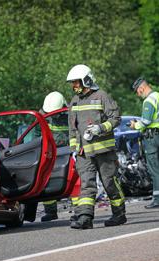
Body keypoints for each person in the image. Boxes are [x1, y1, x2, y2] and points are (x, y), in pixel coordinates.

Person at [66, 64, 126, 229]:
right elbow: (72, 129)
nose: (74, 86)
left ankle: (119, 214)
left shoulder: (101, 96)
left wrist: (101, 128)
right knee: (87, 184)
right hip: (83, 153)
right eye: (72, 83)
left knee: (109, 182)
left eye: (76, 82)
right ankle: (85, 218)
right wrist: (74, 150)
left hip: (104, 150)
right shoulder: (74, 102)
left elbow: (116, 117)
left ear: (86, 80)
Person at [40, 91, 69, 221]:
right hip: (51, 154)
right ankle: (50, 212)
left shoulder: (70, 115)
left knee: (72, 181)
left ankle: (80, 211)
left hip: (68, 152)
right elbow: (36, 136)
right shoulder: (42, 117)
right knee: (48, 181)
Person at [131, 77, 159, 209]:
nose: (138, 94)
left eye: (137, 91)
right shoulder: (158, 96)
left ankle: (157, 199)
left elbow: (146, 121)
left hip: (152, 138)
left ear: (141, 88)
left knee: (154, 169)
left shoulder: (149, 100)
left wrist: (135, 125)